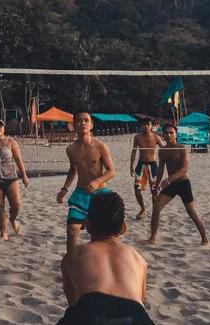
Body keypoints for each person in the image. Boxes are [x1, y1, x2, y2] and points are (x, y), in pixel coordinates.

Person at [60, 192, 154, 325]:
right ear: (124, 228)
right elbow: (140, 300)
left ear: (88, 225)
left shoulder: (73, 255)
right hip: (134, 313)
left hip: (90, 309)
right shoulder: (139, 259)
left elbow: (73, 302)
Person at [57, 110, 116, 252]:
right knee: (71, 230)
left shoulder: (100, 146)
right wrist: (64, 189)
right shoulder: (70, 149)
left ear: (91, 125)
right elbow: (73, 170)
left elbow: (111, 171)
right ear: (73, 125)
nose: (82, 123)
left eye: (86, 120)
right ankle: (71, 264)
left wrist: (97, 181)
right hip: (81, 194)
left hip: (101, 193)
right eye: (79, 120)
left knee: (100, 234)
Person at [143, 124, 210, 246]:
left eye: (171, 133)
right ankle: (153, 237)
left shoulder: (181, 148)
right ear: (163, 135)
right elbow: (161, 170)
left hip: (183, 183)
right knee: (156, 206)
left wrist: (170, 179)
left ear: (176, 134)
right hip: (171, 184)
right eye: (166, 133)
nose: (169, 135)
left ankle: (205, 239)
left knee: (192, 213)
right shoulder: (162, 151)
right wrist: (156, 187)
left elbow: (185, 168)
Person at [129, 119, 164, 219]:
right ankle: (143, 208)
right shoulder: (137, 137)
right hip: (141, 164)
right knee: (137, 189)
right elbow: (134, 151)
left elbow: (164, 148)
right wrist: (131, 165)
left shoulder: (156, 137)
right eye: (143, 125)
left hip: (152, 165)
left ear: (151, 126)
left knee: (154, 190)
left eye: (147, 124)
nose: (145, 127)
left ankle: (155, 210)